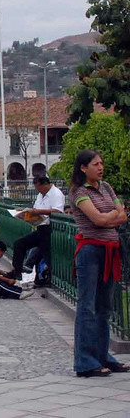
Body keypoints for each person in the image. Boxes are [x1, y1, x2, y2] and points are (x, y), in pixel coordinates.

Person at [68, 149, 130, 377]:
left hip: (110, 251)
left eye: (101, 163)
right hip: (90, 251)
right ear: (84, 168)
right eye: (96, 164)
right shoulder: (78, 191)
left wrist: (111, 217)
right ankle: (85, 361)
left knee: (105, 307)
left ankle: (103, 355)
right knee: (87, 306)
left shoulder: (105, 187)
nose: (101, 167)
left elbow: (123, 216)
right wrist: (112, 216)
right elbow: (98, 219)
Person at [7, 175, 65, 283]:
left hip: (50, 229)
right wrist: (25, 213)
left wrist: (38, 212)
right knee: (19, 244)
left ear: (45, 185)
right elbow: (35, 208)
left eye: (38, 187)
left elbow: (58, 211)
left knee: (46, 253)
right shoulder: (40, 195)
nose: (37, 190)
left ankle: (48, 279)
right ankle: (17, 272)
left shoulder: (56, 194)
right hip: (40, 227)